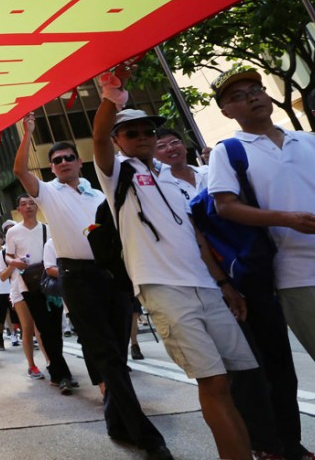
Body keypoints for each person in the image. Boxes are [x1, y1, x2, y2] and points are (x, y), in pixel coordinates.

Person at [93, 65, 257, 460]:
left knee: (232, 380)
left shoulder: (171, 176)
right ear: (118, 141)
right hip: (163, 289)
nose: (143, 137)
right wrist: (111, 96)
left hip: (207, 288)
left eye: (148, 131)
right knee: (213, 382)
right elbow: (97, 137)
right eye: (131, 132)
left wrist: (224, 285)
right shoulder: (117, 174)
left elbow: (196, 239)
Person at [14, 114, 170, 458]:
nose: (64, 163)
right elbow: (20, 170)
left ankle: (116, 422)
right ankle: (147, 437)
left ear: (79, 161)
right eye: (57, 160)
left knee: (117, 351)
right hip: (76, 278)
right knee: (107, 356)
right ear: (51, 167)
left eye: (69, 157)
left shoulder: (100, 193)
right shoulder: (47, 193)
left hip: (112, 275)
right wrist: (27, 133)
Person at [206, 67, 315, 460]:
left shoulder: (307, 141)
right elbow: (225, 206)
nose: (252, 97)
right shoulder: (229, 151)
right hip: (297, 273)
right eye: (238, 96)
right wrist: (287, 219)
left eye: (256, 89)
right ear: (226, 111)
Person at [4, 194, 76, 393]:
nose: (28, 206)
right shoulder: (13, 232)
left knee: (56, 328)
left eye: (32, 203)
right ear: (18, 209)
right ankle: (62, 374)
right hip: (28, 286)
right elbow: (8, 255)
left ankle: (57, 371)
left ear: (37, 207)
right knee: (44, 328)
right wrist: (14, 262)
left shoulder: (47, 228)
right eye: (23, 204)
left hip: (51, 283)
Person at [154, 128, 208, 201]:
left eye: (174, 142)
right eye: (161, 146)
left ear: (184, 146)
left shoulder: (209, 171)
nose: (171, 148)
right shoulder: (160, 188)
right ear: (153, 156)